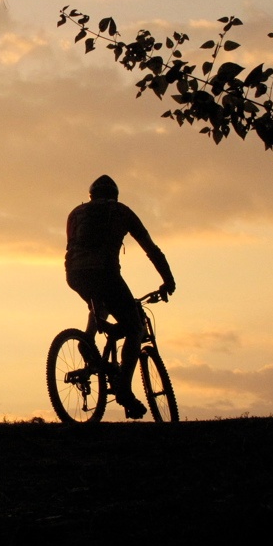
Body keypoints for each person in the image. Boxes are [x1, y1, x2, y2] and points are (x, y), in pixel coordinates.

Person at [64, 175, 176, 419]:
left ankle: (88, 342)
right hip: (106, 273)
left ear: (92, 195)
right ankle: (124, 388)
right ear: (115, 195)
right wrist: (168, 279)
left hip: (74, 274)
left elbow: (72, 245)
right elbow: (151, 249)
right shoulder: (121, 212)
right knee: (134, 328)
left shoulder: (76, 213)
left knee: (99, 305)